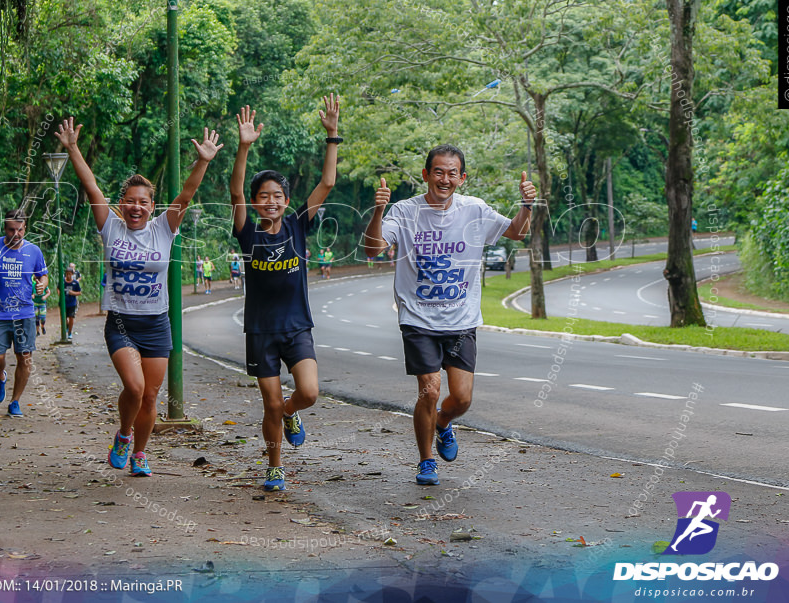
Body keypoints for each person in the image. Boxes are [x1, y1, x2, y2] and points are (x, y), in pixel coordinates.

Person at [56, 117, 220, 476]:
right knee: (134, 385)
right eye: (129, 201)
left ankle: (140, 452)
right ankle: (124, 433)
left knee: (149, 397)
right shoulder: (110, 226)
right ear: (121, 204)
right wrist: (72, 148)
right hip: (121, 324)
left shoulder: (164, 228)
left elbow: (187, 195)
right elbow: (91, 186)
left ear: (151, 205)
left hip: (157, 325)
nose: (136, 207)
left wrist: (203, 161)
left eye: (143, 202)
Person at [363, 144, 536, 487]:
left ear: (462, 178)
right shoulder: (405, 210)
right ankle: (427, 460)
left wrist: (527, 205)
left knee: (462, 398)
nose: (444, 178)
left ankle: (442, 423)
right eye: (438, 172)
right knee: (429, 388)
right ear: (426, 175)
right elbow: (373, 248)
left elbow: (517, 232)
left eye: (451, 173)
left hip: (461, 320)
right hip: (418, 318)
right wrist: (378, 211)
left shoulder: (475, 210)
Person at [229, 95, 341, 492]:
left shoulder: (296, 225)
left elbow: (327, 182)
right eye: (264, 195)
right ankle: (275, 465)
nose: (271, 200)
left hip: (297, 328)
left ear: (287, 202)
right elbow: (236, 189)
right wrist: (244, 147)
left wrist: (332, 135)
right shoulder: (247, 231)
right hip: (260, 331)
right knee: (269, 404)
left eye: (278, 195)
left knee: (307, 392)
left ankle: (293, 414)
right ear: (256, 202)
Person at [0, 210, 49, 417]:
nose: (16, 234)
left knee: (25, 357)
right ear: (5, 228)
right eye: (11, 229)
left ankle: (15, 402)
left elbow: (42, 275)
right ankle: (0, 376)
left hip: (24, 313)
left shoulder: (34, 251)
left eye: (20, 229)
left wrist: (41, 285)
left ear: (25, 228)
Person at [63, 269, 81, 339]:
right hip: (64, 303)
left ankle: (70, 332)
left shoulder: (75, 283)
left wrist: (73, 293)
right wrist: (60, 294)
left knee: (71, 317)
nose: (68, 275)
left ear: (72, 274)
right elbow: (58, 288)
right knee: (64, 318)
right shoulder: (63, 282)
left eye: (70, 274)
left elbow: (79, 292)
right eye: (67, 274)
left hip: (72, 303)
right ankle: (67, 326)